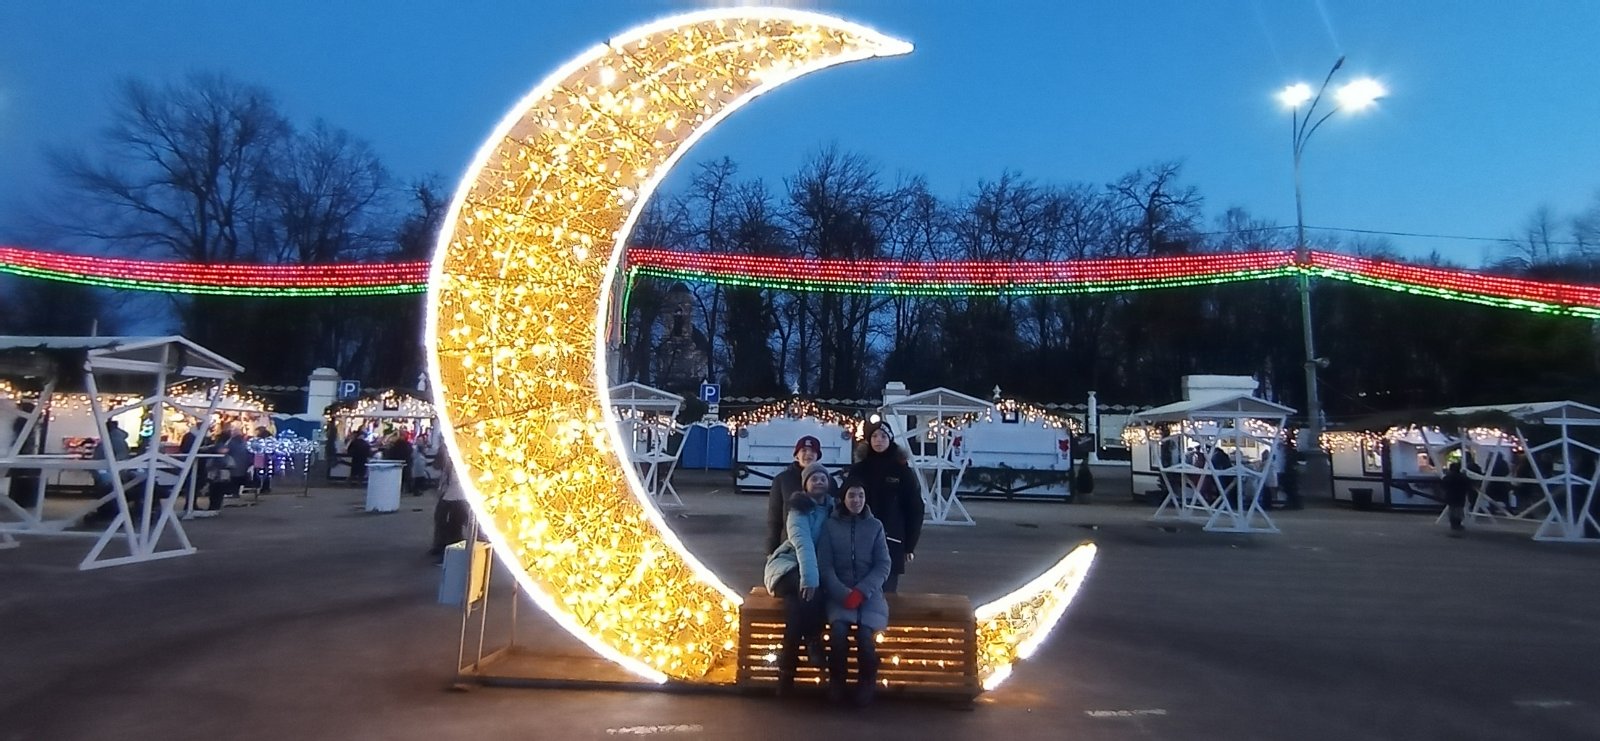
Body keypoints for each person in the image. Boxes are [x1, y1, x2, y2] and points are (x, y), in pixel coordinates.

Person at [762, 460, 836, 695]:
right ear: (805, 484)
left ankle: (786, 675)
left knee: (796, 612)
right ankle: (813, 640)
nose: (819, 482)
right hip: (786, 569)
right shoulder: (798, 511)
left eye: (823, 478)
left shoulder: (833, 509)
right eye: (814, 478)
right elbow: (804, 546)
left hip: (810, 570)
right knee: (811, 595)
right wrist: (810, 580)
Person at [816, 477, 891, 707]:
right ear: (843, 498)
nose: (856, 500)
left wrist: (862, 590)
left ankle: (866, 683)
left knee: (866, 638)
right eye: (851, 495)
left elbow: (883, 564)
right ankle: (837, 681)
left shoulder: (875, 526)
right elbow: (825, 566)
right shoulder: (830, 526)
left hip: (869, 596)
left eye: (860, 495)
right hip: (839, 594)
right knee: (838, 633)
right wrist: (842, 592)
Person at [851, 420, 923, 593]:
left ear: (890, 439)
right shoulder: (859, 469)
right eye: (874, 436)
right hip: (860, 538)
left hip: (892, 540)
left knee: (887, 593)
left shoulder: (902, 471)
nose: (879, 440)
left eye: (883, 436)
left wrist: (909, 545)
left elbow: (914, 508)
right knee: (859, 590)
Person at [767, 435, 824, 554]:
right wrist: (771, 550)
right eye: (804, 450)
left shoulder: (827, 481)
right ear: (796, 455)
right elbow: (774, 518)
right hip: (790, 546)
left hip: (820, 547)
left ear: (818, 456)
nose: (808, 454)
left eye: (813, 451)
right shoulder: (782, 480)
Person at [428, 453, 471, 564]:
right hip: (448, 493)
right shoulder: (448, 454)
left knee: (454, 525)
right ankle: (441, 546)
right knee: (441, 520)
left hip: (458, 495)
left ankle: (451, 556)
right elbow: (439, 468)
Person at [1443, 461, 1472, 534]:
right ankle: (1458, 523)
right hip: (1460, 496)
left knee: (1452, 510)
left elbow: (1443, 485)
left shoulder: (1448, 477)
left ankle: (1453, 524)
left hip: (1450, 496)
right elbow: (1468, 484)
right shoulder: (1463, 477)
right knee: (1459, 510)